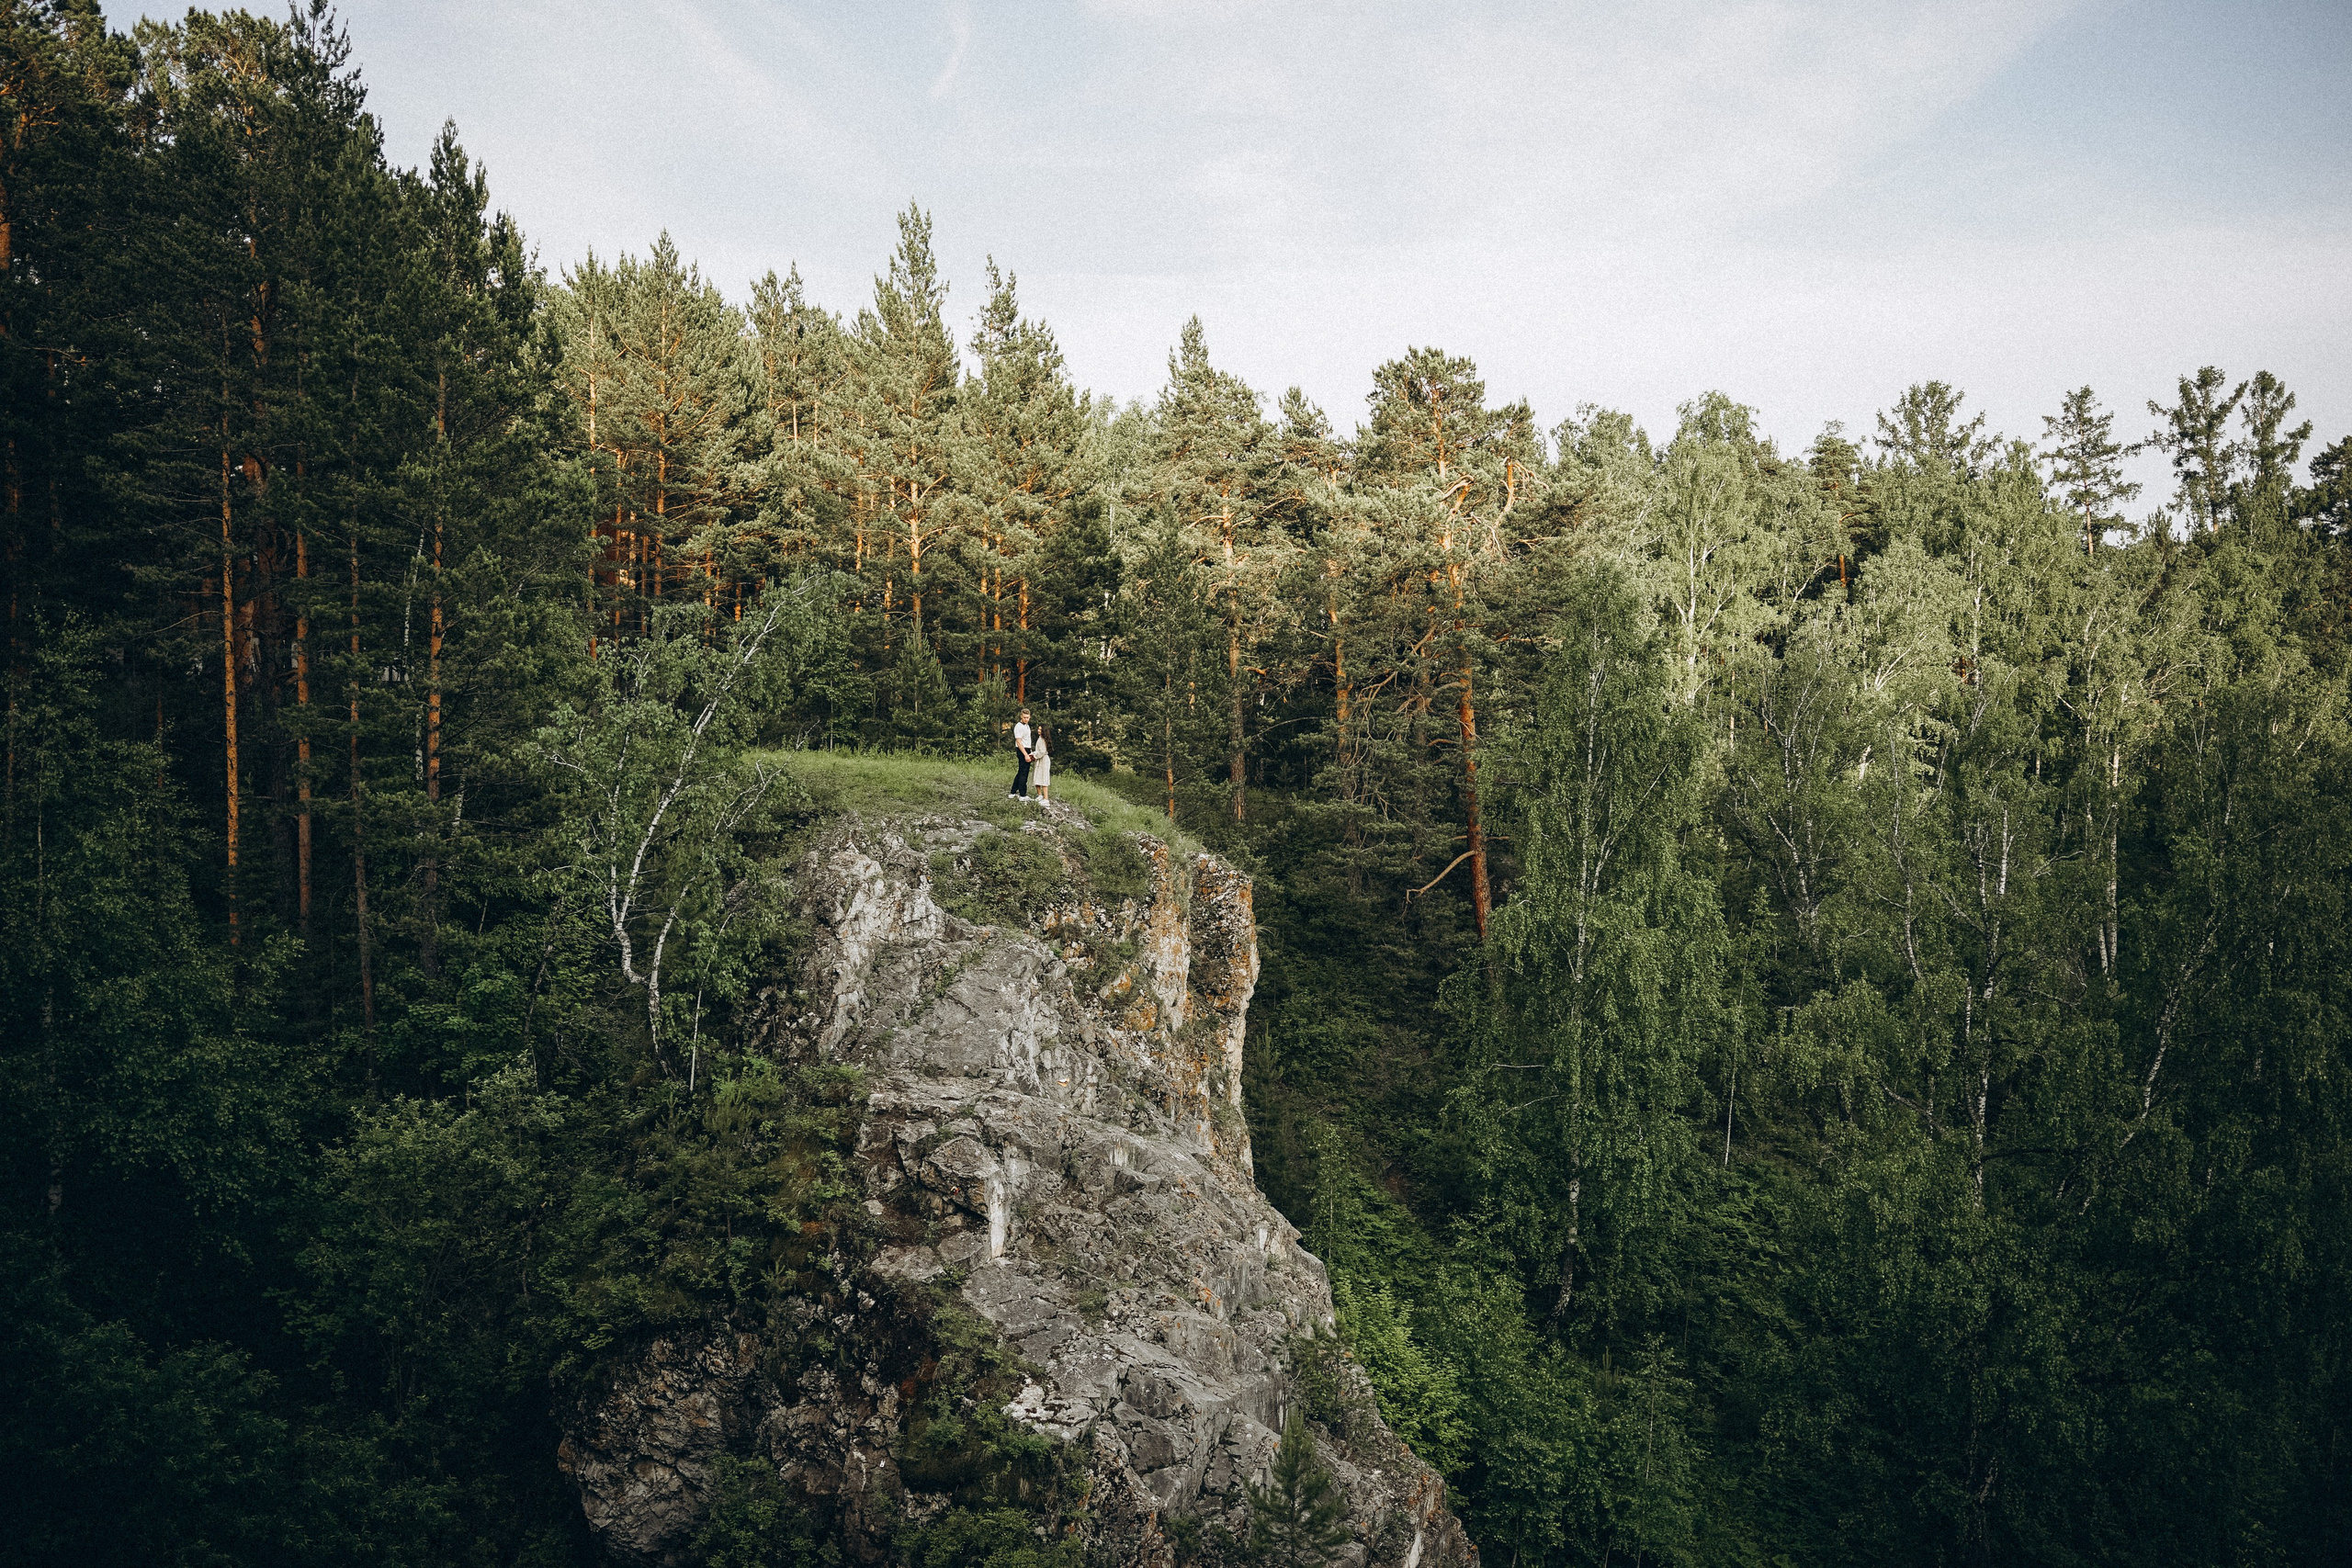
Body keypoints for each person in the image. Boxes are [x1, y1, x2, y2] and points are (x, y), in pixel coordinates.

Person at [1008, 708, 1034, 801]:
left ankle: (1013, 791)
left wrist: (1030, 752)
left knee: (1021, 771)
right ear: (1021, 717)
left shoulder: (1027, 726)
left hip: (1027, 749)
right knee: (1024, 772)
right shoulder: (1018, 727)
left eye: (1028, 717)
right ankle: (1022, 794)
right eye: (1024, 717)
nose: (1026, 719)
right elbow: (1019, 742)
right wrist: (1026, 754)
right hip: (1022, 749)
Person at [1030, 727, 1052, 803]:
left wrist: (1034, 755)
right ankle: (1039, 795)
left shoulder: (1043, 740)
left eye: (1040, 729)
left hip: (1044, 760)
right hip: (1039, 760)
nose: (1038, 730)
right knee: (1037, 776)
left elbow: (1042, 751)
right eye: (1038, 729)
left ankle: (1046, 799)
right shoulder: (1040, 738)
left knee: (1043, 778)